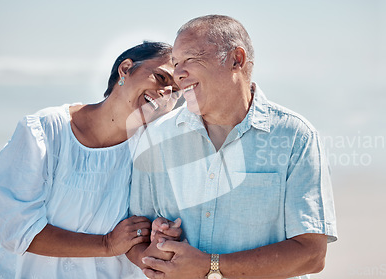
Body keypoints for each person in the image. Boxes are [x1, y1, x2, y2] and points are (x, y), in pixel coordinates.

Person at [127, 15, 338, 279]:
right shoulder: (156, 138)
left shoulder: (296, 137)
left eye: (190, 59)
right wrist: (157, 250)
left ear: (236, 60)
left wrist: (210, 266)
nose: (178, 74)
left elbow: (311, 255)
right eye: (176, 63)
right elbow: (136, 239)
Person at [0, 41, 182, 279]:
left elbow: (134, 242)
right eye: (161, 78)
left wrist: (158, 243)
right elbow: (18, 231)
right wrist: (106, 244)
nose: (166, 94)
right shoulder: (44, 131)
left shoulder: (151, 153)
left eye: (176, 91)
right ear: (125, 69)